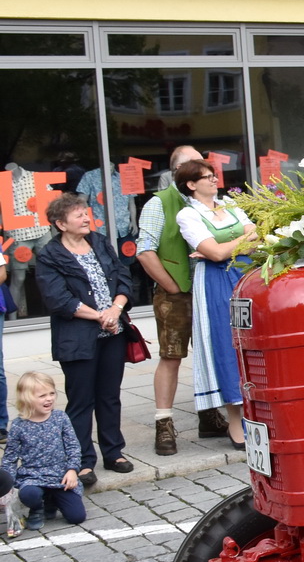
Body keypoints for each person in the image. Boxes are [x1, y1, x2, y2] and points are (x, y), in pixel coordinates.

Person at [35, 193, 132, 482]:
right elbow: (58, 299)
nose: (86, 218)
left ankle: (114, 452)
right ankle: (82, 460)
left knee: (109, 396)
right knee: (81, 400)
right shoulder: (50, 255)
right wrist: (100, 315)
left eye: (85, 213)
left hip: (113, 332)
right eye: (78, 215)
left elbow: (123, 276)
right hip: (76, 338)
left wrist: (115, 308)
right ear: (61, 224)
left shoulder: (100, 242)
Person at [134, 144, 215, 457]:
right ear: (180, 173)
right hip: (176, 292)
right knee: (171, 355)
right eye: (194, 165)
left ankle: (209, 415)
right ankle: (164, 424)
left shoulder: (210, 202)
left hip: (209, 290)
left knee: (210, 353)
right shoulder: (159, 203)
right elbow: (145, 250)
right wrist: (171, 286)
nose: (203, 170)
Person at [174, 159, 257, 452]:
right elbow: (216, 253)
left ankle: (259, 415)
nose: (213, 180)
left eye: (213, 175)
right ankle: (236, 420)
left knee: (254, 341)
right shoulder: (187, 215)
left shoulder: (231, 205)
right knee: (227, 343)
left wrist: (225, 247)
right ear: (191, 184)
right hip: (217, 282)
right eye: (206, 177)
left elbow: (254, 237)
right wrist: (237, 242)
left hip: (247, 274)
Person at [3, 371, 85, 531]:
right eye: (42, 396)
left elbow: (73, 447)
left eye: (51, 393)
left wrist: (72, 470)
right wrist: (7, 486)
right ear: (26, 398)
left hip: (59, 475)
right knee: (29, 494)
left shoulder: (60, 418)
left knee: (77, 516)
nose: (49, 398)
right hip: (32, 476)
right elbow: (10, 458)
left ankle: (51, 500)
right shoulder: (19, 425)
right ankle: (37, 508)